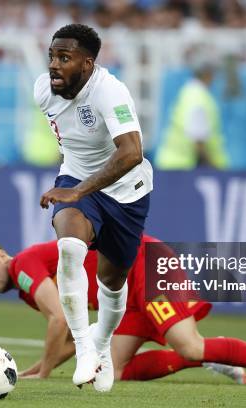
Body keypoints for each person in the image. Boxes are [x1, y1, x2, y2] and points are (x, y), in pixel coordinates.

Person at [0, 235, 246, 389]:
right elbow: (77, 337)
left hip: (142, 266)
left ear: (1, 255)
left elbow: (59, 321)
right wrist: (42, 366)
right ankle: (212, 359)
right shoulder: (26, 288)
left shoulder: (23, 266)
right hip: (123, 292)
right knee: (112, 371)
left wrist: (47, 371)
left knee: (190, 345)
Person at [34, 24, 153, 391]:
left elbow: (132, 152)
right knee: (69, 247)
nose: (54, 65)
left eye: (64, 58)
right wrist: (74, 190)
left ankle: (101, 347)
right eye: (52, 56)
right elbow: (73, 141)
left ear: (87, 64)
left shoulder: (109, 91)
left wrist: (80, 190)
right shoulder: (43, 90)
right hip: (76, 182)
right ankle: (84, 348)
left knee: (112, 283)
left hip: (127, 192)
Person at [154, 58, 229, 170]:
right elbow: (198, 138)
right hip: (182, 168)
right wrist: (211, 167)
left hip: (174, 164)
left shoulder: (188, 92)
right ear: (207, 74)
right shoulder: (199, 98)